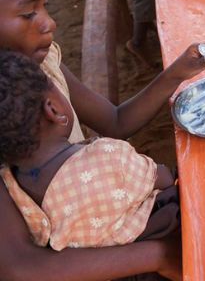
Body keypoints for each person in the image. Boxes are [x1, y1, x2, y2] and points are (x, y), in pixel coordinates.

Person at [0, 0, 205, 280]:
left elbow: (116, 120)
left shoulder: (43, 64)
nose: (49, 22)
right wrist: (158, 255)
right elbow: (20, 266)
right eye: (29, 13)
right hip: (100, 262)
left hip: (118, 218)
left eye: (46, 5)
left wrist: (175, 74)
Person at [0, 51, 180, 251]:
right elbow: (164, 177)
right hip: (159, 247)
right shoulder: (108, 157)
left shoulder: (14, 189)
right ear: (53, 110)